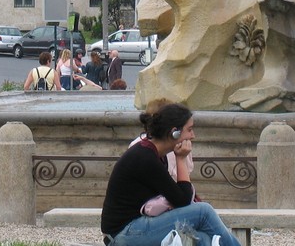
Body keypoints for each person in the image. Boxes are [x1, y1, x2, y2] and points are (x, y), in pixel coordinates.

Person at [101, 102, 240, 246]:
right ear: (175, 132)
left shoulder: (154, 154)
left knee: (202, 239)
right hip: (124, 233)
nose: (193, 136)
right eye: (190, 130)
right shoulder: (145, 157)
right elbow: (182, 200)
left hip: (132, 229)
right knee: (203, 211)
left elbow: (180, 198)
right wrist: (181, 158)